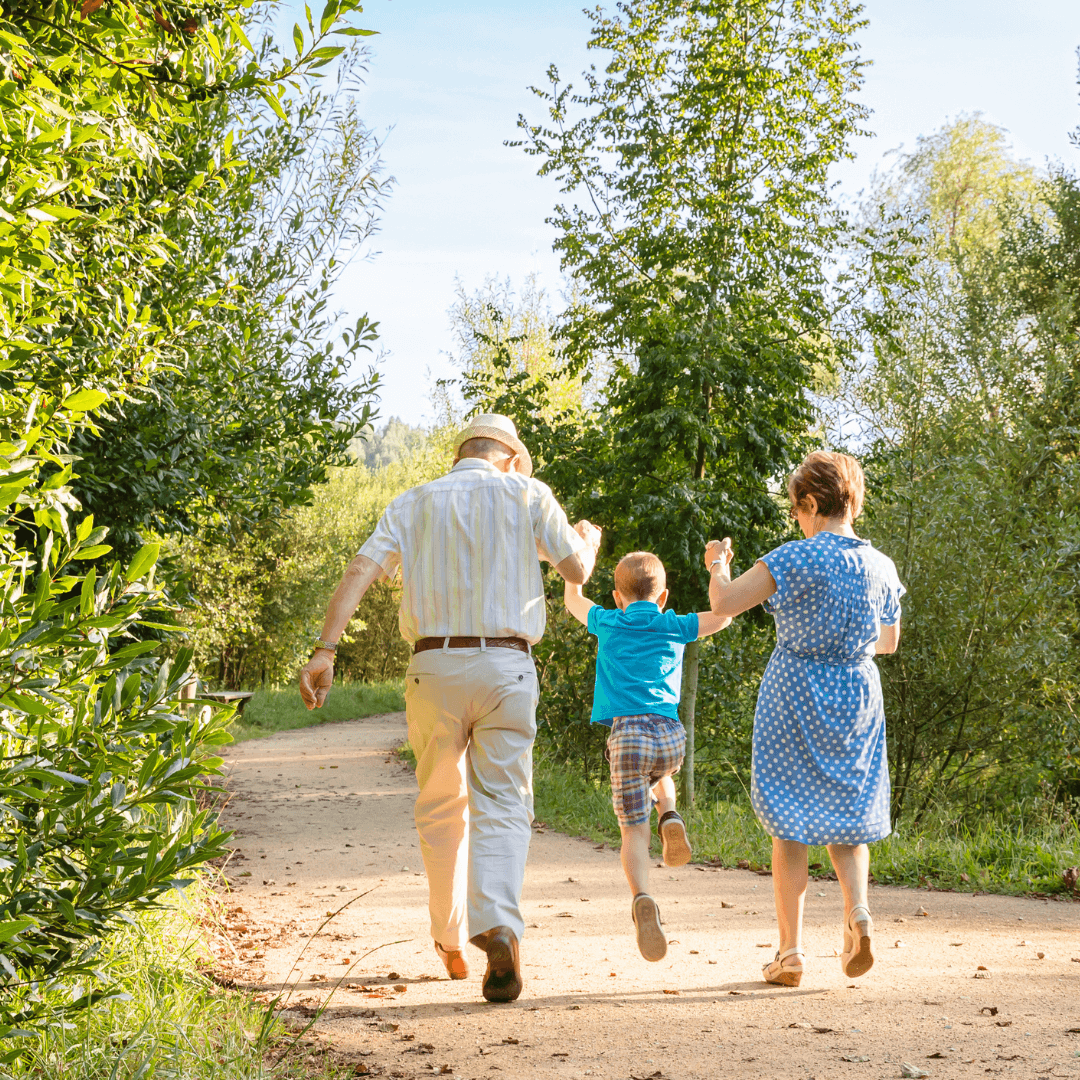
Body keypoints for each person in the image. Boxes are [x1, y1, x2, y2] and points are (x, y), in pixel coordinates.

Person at [298, 414, 601, 1003]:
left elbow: (360, 569)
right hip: (507, 666)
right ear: (511, 459)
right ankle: (500, 924)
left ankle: (450, 940)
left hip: (432, 667)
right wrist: (586, 541)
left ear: (462, 453)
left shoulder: (414, 502)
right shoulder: (528, 493)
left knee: (440, 807)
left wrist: (325, 650)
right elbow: (576, 571)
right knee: (504, 803)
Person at [703, 451, 904, 988]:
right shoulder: (881, 567)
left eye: (796, 509)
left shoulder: (792, 559)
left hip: (795, 692)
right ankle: (857, 913)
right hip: (857, 693)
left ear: (811, 503)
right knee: (849, 813)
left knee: (789, 823)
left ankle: (789, 952)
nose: (796, 519)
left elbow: (723, 604)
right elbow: (887, 642)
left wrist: (717, 563)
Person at [564, 550, 732, 962]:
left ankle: (643, 897)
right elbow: (723, 614)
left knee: (633, 832)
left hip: (628, 736)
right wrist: (717, 564)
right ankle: (670, 814)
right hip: (670, 734)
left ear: (618, 598)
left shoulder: (608, 620)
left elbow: (573, 600)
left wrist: (578, 562)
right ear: (663, 597)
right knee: (661, 774)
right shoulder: (673, 623)